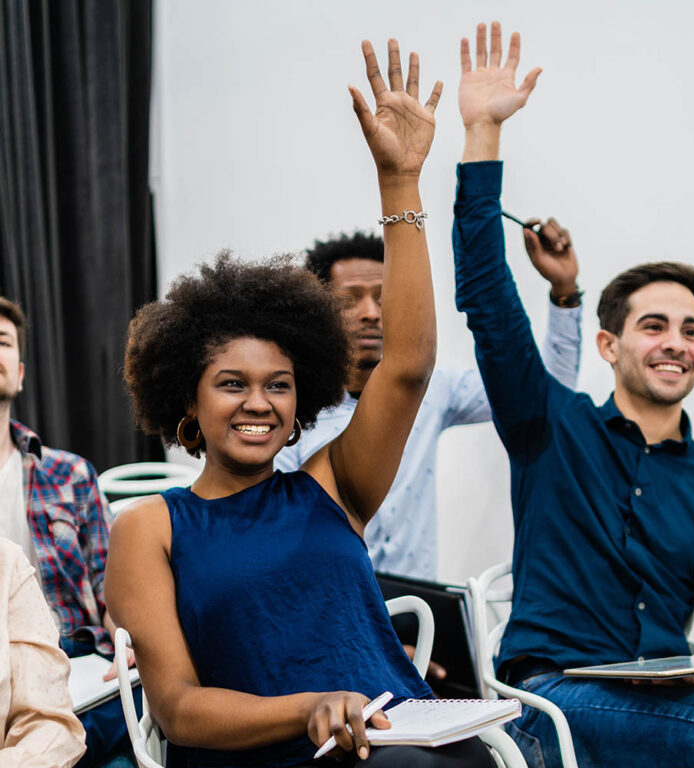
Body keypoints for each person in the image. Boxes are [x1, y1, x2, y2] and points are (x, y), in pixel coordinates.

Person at [106, 39, 495, 768]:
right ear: (186, 402)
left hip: (400, 740)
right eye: (232, 384)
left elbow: (407, 367)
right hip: (277, 754)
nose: (260, 403)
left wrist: (400, 182)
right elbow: (180, 709)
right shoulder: (149, 528)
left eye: (278, 384)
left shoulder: (330, 486)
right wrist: (312, 709)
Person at [452, 21, 694, 768]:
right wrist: (482, 135)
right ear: (609, 346)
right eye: (653, 326)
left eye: (690, 330)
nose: (675, 343)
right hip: (546, 700)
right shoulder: (548, 426)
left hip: (663, 707)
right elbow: (489, 301)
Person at [275, 231, 582, 581]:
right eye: (349, 301)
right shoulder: (290, 404)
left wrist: (564, 293)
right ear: (318, 312)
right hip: (327, 603)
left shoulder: (432, 389)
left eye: (383, 297)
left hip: (418, 608)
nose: (371, 313)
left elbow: (541, 393)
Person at [0, 296, 138, 768]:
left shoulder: (70, 474)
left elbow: (111, 587)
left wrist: (130, 639)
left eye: (1, 341)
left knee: (132, 715)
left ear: (20, 373)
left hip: (75, 656)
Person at [0, 536, 86, 767]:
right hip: (54, 645)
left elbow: (47, 722)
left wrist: (124, 636)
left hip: (73, 639)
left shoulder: (6, 561)